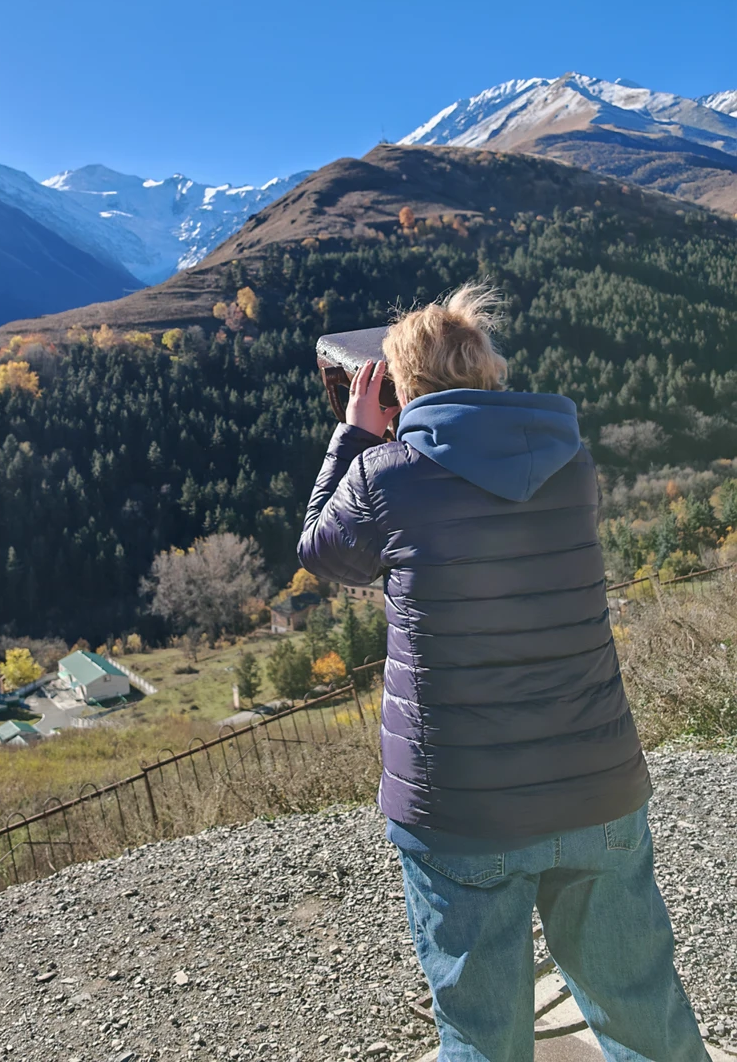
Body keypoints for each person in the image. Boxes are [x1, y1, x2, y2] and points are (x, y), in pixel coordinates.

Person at [297, 283, 707, 1062]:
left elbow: (322, 550)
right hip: (598, 785)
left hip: (461, 806)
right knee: (642, 1011)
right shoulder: (572, 465)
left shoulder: (385, 476)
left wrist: (356, 436)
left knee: (484, 1035)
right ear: (490, 372)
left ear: (401, 385)